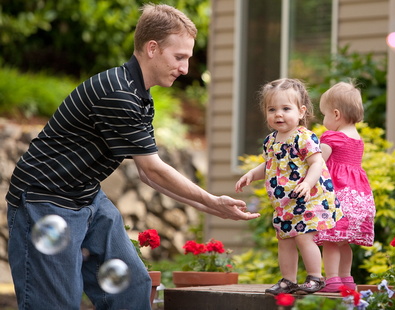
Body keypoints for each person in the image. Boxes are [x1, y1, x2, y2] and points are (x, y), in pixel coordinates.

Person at [6, 4, 260, 310]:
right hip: (44, 201)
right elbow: (153, 170)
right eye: (179, 57)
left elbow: (145, 174)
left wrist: (212, 208)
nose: (185, 69)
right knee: (56, 304)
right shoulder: (119, 94)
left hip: (86, 197)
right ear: (152, 48)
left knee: (132, 287)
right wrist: (211, 201)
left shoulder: (139, 94)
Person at [235, 78, 343, 295]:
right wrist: (251, 174)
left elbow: (316, 163)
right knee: (285, 240)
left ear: (301, 112)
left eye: (286, 108)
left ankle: (315, 277)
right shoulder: (271, 140)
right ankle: (288, 280)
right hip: (284, 203)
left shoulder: (303, 137)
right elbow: (269, 164)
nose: (278, 114)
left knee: (304, 237)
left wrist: (307, 183)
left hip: (307, 198)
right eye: (272, 109)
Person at [314, 81, 376, 292]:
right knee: (343, 242)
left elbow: (318, 164)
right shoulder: (357, 140)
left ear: (336, 114)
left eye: (324, 115)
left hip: (337, 198)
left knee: (331, 241)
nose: (323, 121)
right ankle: (346, 279)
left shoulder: (332, 137)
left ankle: (331, 280)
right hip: (358, 198)